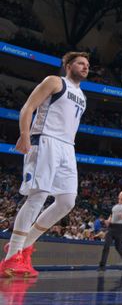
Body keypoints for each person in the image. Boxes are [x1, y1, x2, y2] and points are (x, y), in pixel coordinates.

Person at [1, 51, 89, 278]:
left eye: (87, 64)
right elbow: (28, 107)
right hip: (46, 140)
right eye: (81, 63)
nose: (86, 67)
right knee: (37, 197)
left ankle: (23, 247)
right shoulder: (54, 81)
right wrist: (24, 134)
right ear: (68, 66)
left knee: (67, 201)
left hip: (68, 147)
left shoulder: (82, 95)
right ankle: (11, 258)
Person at [98, 190, 122, 271]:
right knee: (106, 245)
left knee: (118, 247)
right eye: (121, 193)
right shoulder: (114, 206)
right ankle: (102, 266)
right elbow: (111, 216)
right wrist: (108, 221)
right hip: (111, 227)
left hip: (120, 228)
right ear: (118, 196)